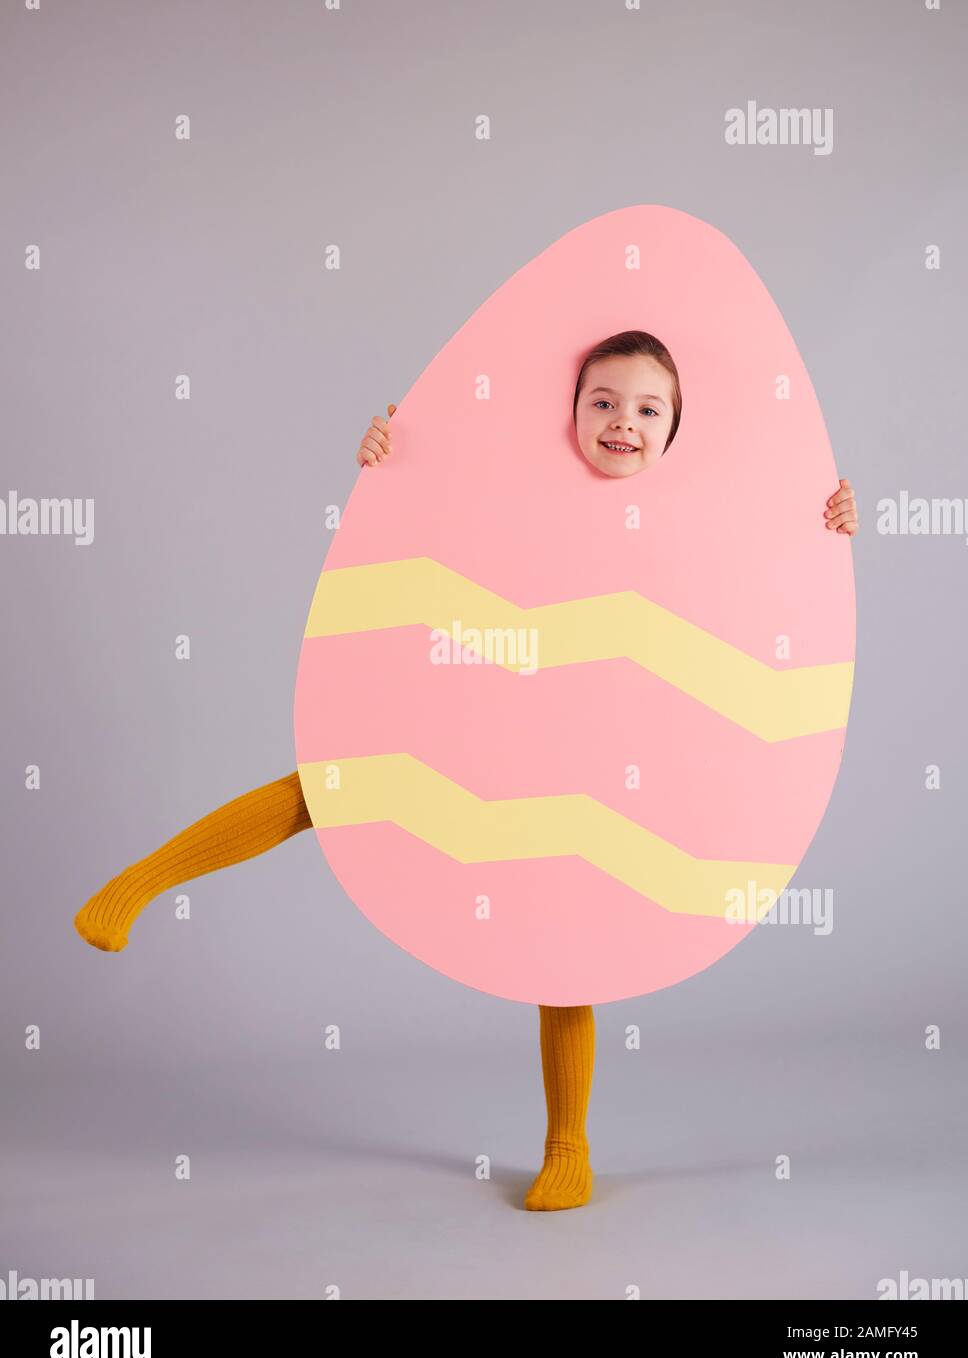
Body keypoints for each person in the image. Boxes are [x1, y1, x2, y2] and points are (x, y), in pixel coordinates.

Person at [74, 330, 859, 1211]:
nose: (622, 423)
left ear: (677, 431)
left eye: (648, 409)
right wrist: (389, 461)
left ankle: (569, 1146)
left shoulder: (695, 517)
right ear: (569, 412)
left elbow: (760, 569)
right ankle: (137, 884)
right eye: (601, 400)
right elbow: (439, 513)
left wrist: (820, 522)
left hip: (603, 748)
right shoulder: (523, 482)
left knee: (571, 946)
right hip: (494, 701)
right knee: (334, 784)